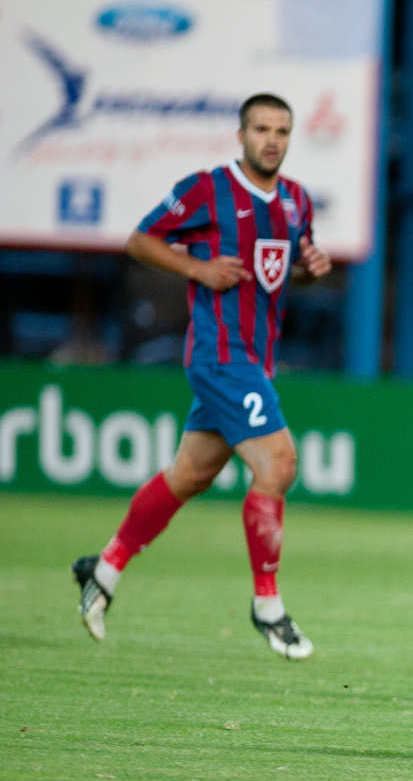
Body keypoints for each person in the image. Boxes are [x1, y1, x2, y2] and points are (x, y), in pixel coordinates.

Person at [73, 93, 331, 660]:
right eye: (261, 129)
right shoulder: (207, 189)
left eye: (282, 131)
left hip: (255, 359)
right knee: (279, 463)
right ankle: (268, 607)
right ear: (241, 135)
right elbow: (140, 239)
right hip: (220, 354)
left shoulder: (296, 201)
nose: (272, 140)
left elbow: (286, 271)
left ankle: (104, 569)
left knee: (189, 475)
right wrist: (198, 268)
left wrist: (312, 269)